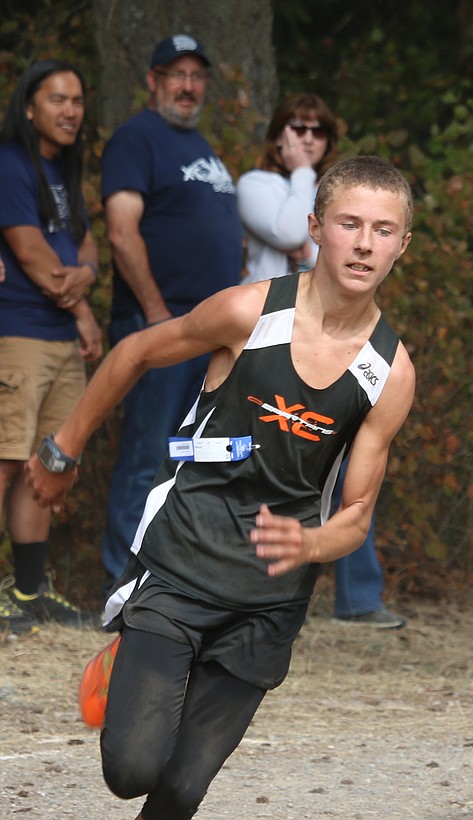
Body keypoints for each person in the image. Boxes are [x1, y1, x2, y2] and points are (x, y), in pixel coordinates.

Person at [25, 155, 416, 818]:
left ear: (402, 245)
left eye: (383, 230)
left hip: (268, 600)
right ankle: (123, 662)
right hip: (181, 566)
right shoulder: (249, 312)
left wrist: (311, 542)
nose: (364, 243)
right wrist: (63, 448)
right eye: (350, 224)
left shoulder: (390, 371)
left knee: (180, 790)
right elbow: (134, 353)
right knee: (133, 769)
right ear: (317, 227)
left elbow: (356, 516)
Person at [238, 93, 404, 628]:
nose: (307, 137)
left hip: (335, 344)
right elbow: (290, 232)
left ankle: (357, 595)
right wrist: (304, 172)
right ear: (279, 135)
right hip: (264, 340)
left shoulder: (353, 205)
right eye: (297, 128)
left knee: (348, 475)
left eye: (317, 130)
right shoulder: (258, 184)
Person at [99, 34, 243, 593]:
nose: (187, 86)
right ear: (153, 81)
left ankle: (166, 583)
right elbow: (121, 230)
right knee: (146, 456)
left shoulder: (201, 146)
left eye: (196, 75)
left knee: (190, 458)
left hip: (208, 337)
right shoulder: (137, 139)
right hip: (160, 330)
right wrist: (159, 317)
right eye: (175, 74)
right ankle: (121, 579)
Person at [0, 59, 102, 632]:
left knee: (47, 461)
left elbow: (82, 246)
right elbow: (36, 257)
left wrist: (85, 275)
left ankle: (31, 590)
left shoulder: (63, 167)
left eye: (77, 101)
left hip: (59, 335)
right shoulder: (11, 162)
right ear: (30, 106)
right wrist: (83, 302)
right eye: (57, 100)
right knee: (5, 460)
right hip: (18, 333)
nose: (70, 111)